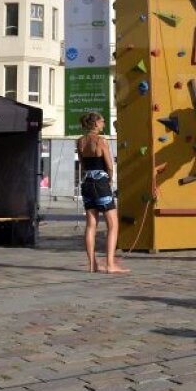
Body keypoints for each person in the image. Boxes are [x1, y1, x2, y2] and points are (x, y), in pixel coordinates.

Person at [77, 112, 128, 274]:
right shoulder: (101, 141)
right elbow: (110, 165)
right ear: (95, 124)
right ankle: (110, 264)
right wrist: (110, 179)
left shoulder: (80, 142)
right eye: (102, 121)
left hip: (87, 183)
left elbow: (83, 164)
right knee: (113, 225)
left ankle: (92, 265)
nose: (104, 124)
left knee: (91, 224)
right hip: (101, 183)